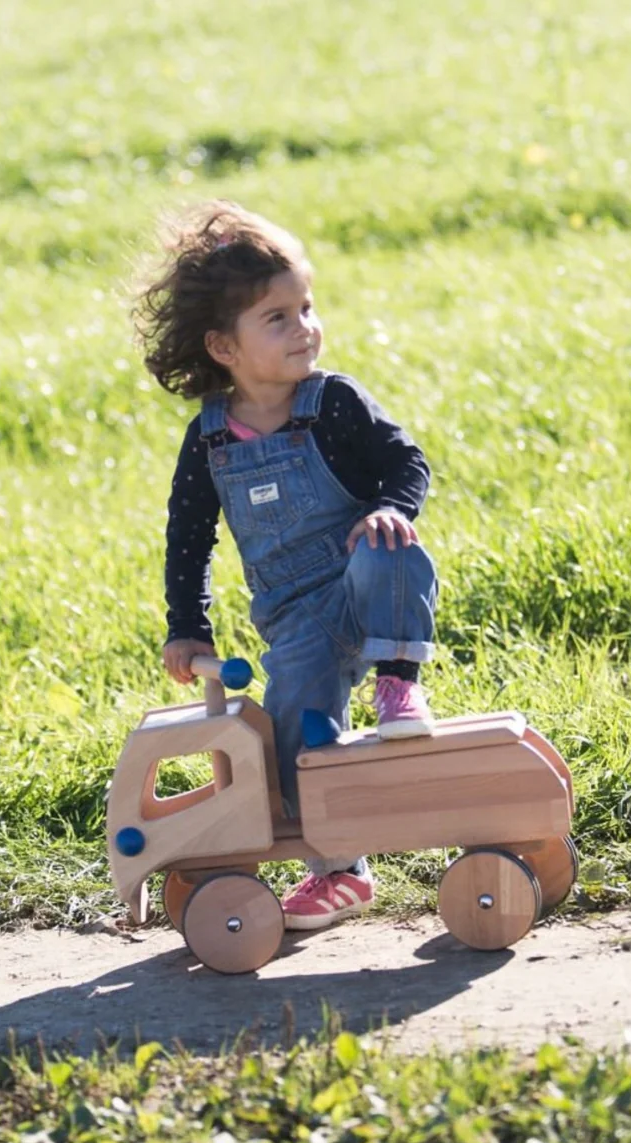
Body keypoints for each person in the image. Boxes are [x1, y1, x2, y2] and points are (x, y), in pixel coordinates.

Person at [134, 200, 438, 931]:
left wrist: (392, 507)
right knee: (297, 732)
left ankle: (398, 684)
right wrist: (188, 628)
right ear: (223, 347)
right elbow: (190, 537)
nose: (305, 327)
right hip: (297, 619)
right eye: (278, 317)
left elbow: (407, 460)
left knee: (390, 550)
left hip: (364, 586)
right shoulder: (209, 440)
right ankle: (339, 871)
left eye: (306, 307)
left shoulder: (333, 403)